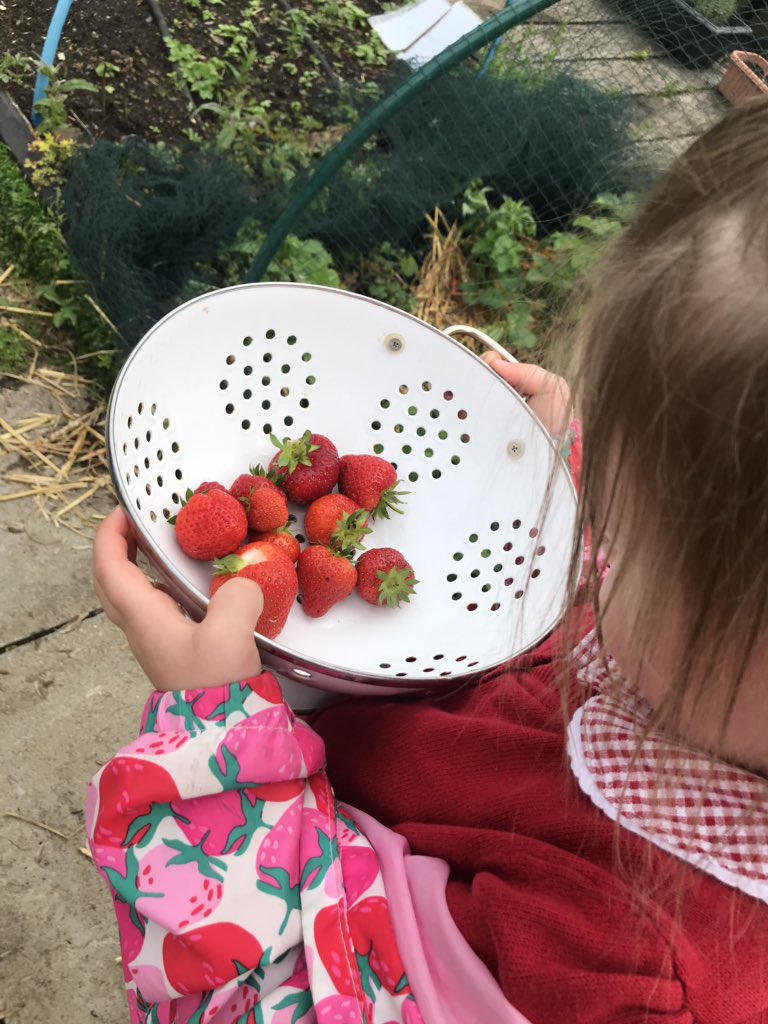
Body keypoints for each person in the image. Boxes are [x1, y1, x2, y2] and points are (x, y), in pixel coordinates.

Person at [88, 99, 768, 1024]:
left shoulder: (632, 977)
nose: (586, 527)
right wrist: (567, 451)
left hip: (297, 869)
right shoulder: (718, 683)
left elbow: (282, 999)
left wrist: (220, 762)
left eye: (627, 514)